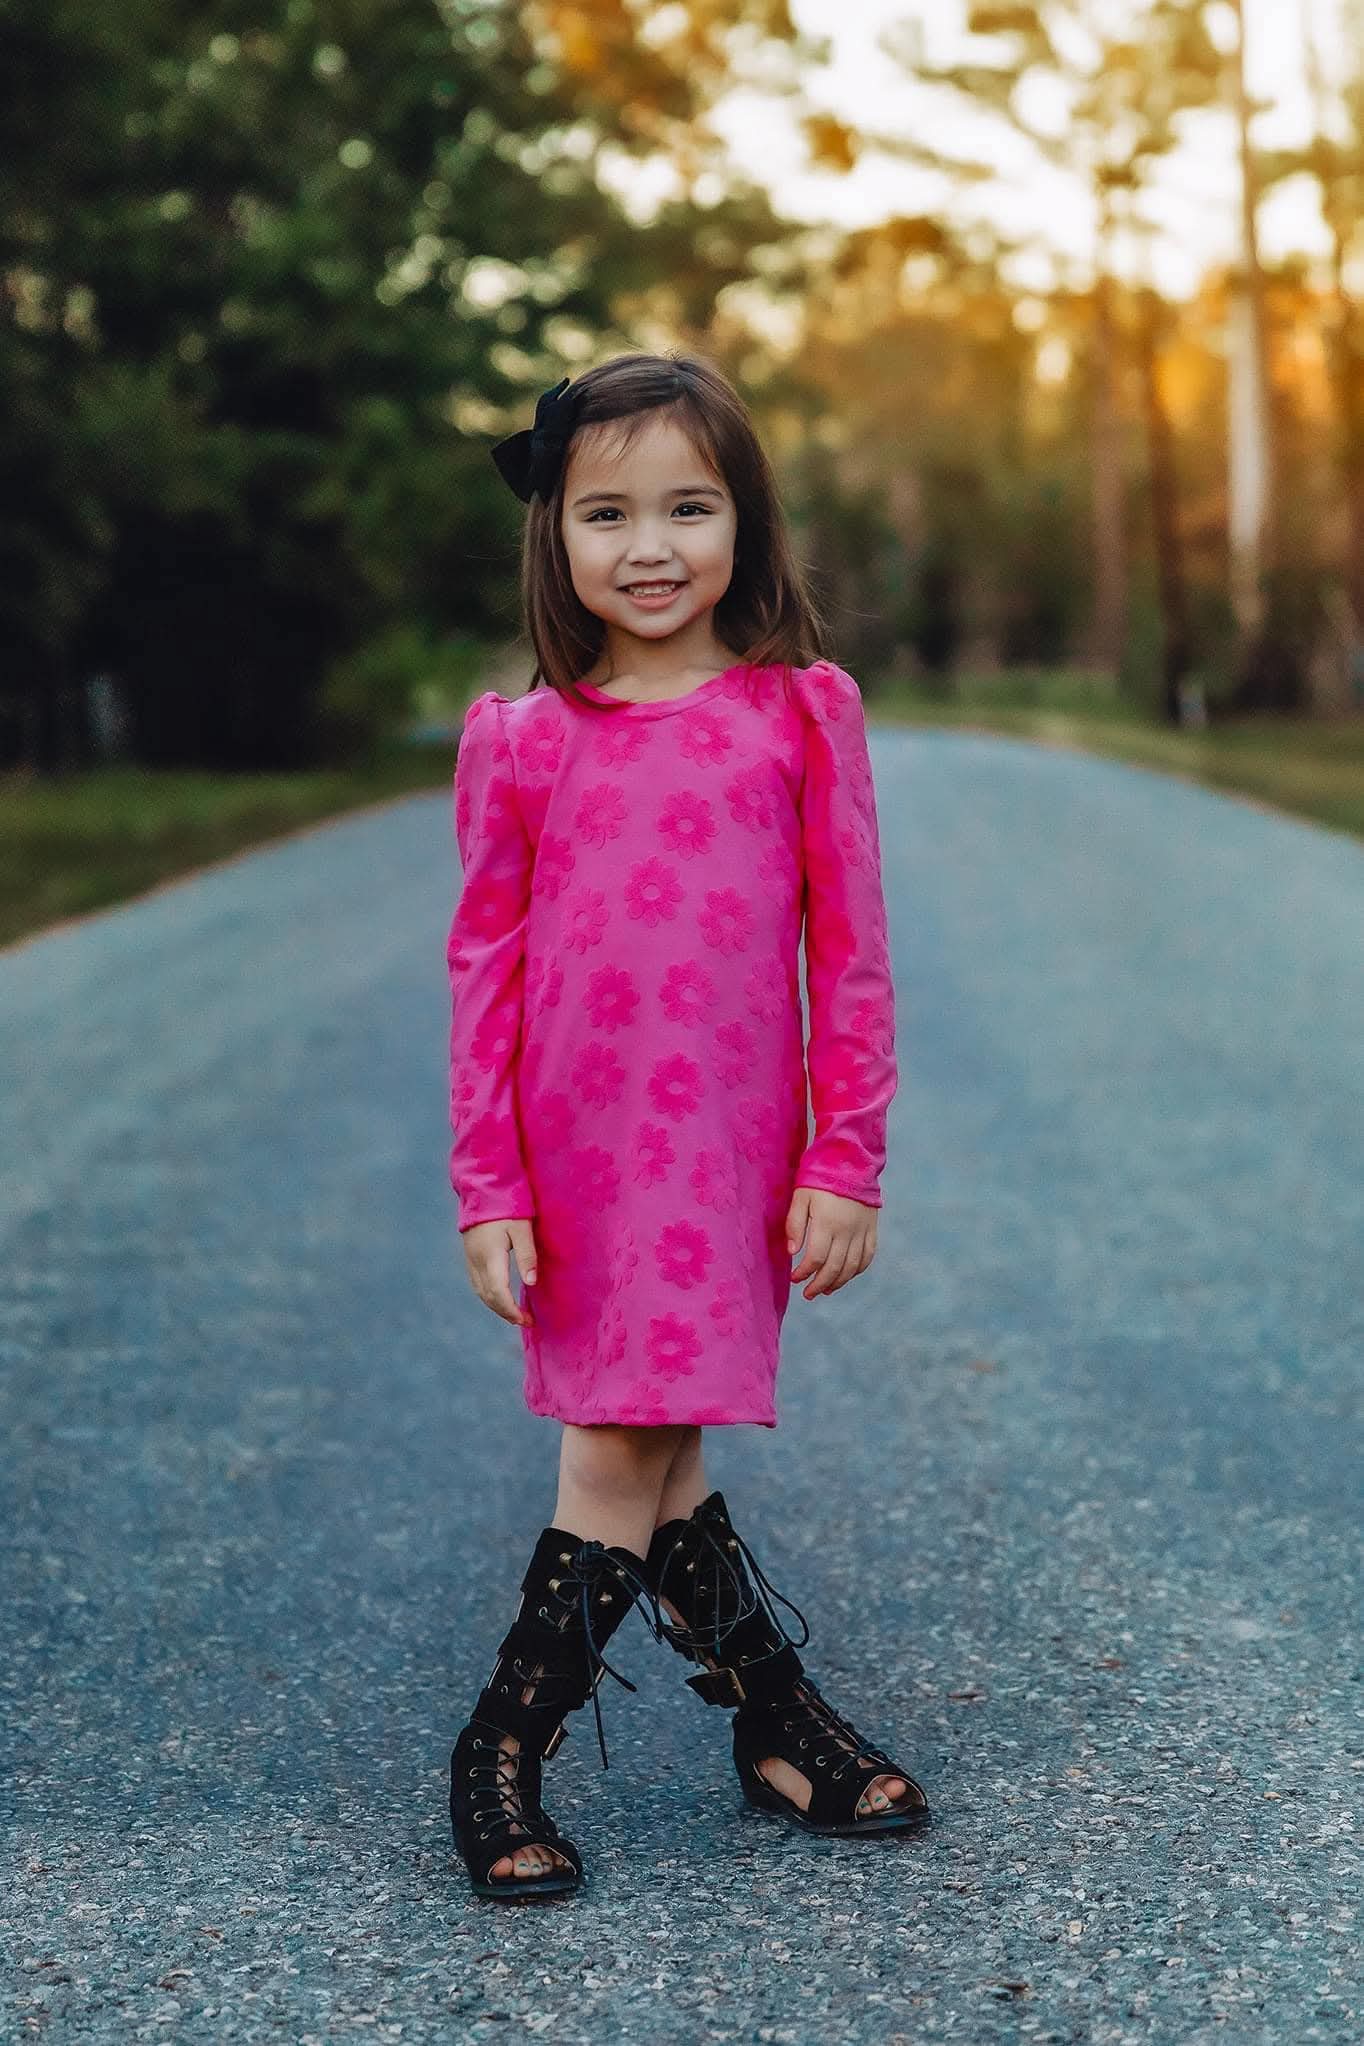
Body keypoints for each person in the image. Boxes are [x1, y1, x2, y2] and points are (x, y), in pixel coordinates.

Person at [445, 352, 930, 1901]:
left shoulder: (801, 713)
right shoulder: (524, 738)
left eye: (687, 506)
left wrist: (843, 1152)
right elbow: (484, 973)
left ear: (745, 520)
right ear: (557, 537)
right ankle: (509, 1747)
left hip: (727, 1155)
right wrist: (488, 1182)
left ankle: (772, 1723)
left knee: (661, 1438)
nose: (649, 545)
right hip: (580, 1161)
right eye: (607, 512)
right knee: (621, 1443)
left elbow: (850, 950)